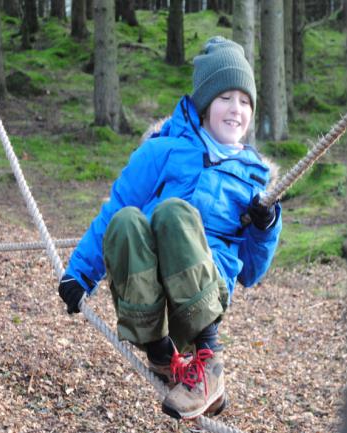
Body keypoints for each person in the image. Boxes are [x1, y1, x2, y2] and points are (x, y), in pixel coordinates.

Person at [58, 36, 282, 420]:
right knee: (129, 220)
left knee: (173, 214)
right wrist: (79, 272)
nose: (236, 109)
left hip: (202, 297)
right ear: (205, 103)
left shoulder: (255, 178)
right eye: (226, 97)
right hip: (150, 300)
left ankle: (209, 363)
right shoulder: (161, 151)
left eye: (245, 101)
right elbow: (116, 209)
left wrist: (266, 227)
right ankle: (164, 357)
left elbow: (253, 273)